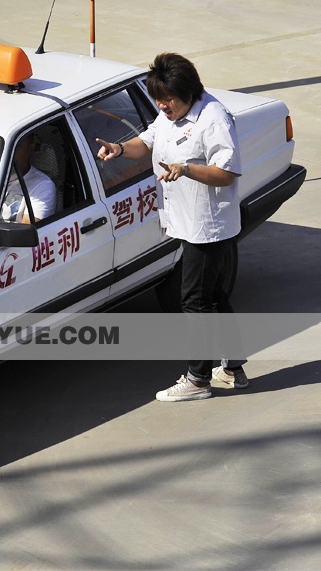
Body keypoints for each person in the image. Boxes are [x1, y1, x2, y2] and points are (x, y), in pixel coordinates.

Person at [97, 52, 248, 402]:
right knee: (210, 294)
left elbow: (227, 173)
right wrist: (119, 149)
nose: (164, 107)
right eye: (159, 101)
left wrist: (187, 169)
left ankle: (197, 379)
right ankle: (231, 367)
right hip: (182, 217)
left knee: (194, 300)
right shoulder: (169, 112)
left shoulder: (213, 119)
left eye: (170, 102)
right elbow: (149, 141)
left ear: (190, 93)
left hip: (206, 224)